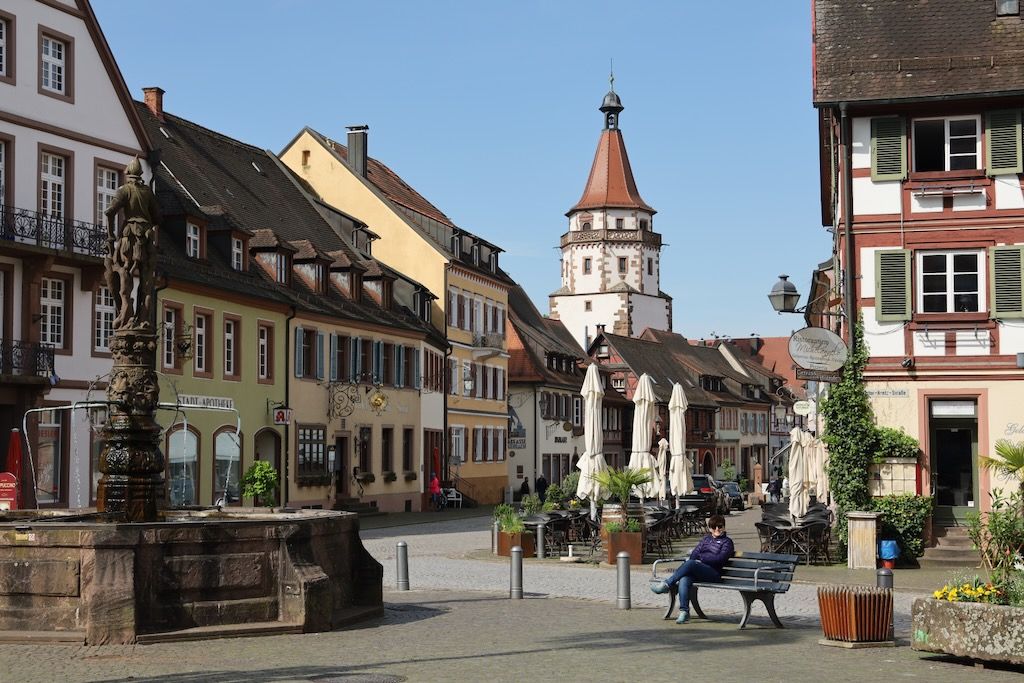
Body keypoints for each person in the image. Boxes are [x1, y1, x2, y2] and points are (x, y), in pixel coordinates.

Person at [650, 514, 734, 624]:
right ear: (710, 529)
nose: (717, 529)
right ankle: (684, 612)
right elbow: (694, 554)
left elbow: (719, 559)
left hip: (714, 573)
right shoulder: (706, 539)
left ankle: (667, 584)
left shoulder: (727, 542)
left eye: (720, 526)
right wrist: (701, 558)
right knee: (684, 578)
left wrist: (702, 558)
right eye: (714, 527)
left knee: (690, 564)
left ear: (724, 527)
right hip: (700, 571)